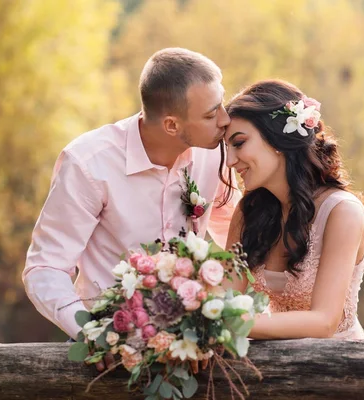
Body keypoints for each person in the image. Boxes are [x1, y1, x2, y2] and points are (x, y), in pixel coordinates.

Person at [22, 48, 239, 343]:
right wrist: (92, 333)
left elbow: (235, 230)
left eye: (221, 105)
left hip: (191, 340)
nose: (226, 120)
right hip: (112, 341)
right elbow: (45, 267)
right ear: (172, 125)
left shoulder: (215, 153)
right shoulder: (89, 163)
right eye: (212, 114)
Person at [223, 79, 364, 340]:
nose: (231, 161)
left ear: (277, 138)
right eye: (227, 148)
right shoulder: (250, 212)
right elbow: (225, 297)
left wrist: (230, 322)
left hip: (345, 366)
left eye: (239, 143)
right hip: (276, 367)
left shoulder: (342, 212)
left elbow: (324, 322)